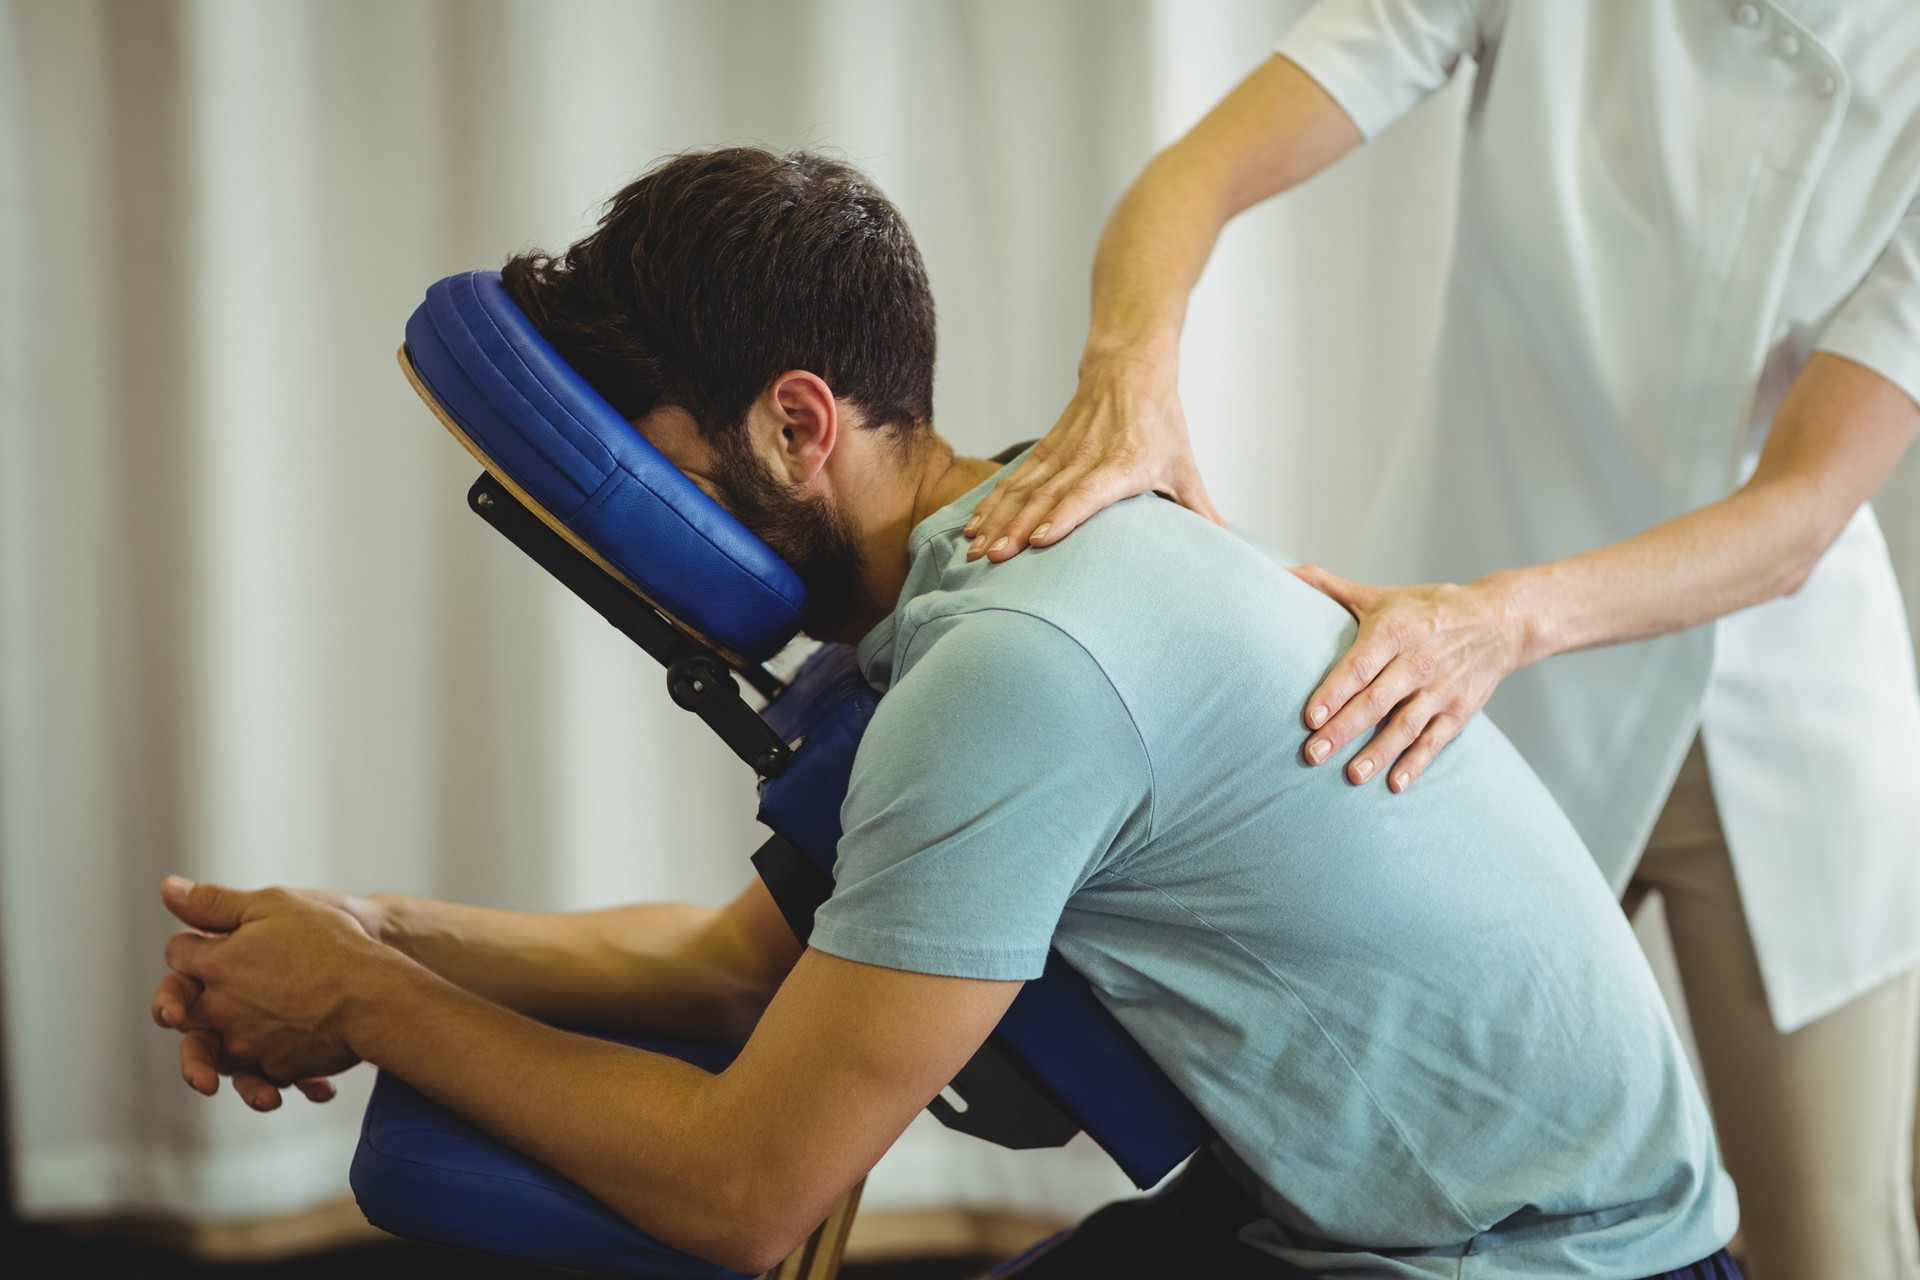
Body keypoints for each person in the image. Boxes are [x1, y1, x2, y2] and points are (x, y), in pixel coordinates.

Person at [151, 148, 1741, 1279]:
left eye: (658, 474)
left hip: (1559, 1263)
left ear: (795, 425)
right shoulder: (985, 592)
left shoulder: (1017, 669)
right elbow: (737, 972)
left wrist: (367, 1008)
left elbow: (747, 1192)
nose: (643, 526)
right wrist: (359, 928)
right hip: (1424, 1220)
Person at [962, 5, 1920, 1280]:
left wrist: (1503, 617)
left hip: (1767, 705)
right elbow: (1191, 175)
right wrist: (1128, 376)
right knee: (1367, 1203)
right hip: (1455, 691)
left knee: (1833, 1237)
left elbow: (1798, 516)